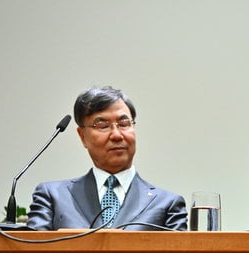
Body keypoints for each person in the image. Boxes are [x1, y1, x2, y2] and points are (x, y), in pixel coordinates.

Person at [27, 86, 187, 231]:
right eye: (102, 126)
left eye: (124, 123)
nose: (117, 135)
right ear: (82, 136)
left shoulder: (167, 204)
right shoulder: (52, 196)